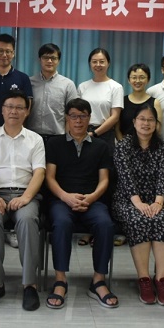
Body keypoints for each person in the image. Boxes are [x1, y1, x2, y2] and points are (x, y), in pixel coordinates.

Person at [45, 98, 117, 309]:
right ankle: (60, 280)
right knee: (61, 223)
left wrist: (91, 197)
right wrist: (65, 196)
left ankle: (98, 281)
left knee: (105, 224)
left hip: (92, 200)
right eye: (74, 116)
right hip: (61, 200)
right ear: (66, 118)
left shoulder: (101, 146)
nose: (78, 120)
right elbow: (49, 177)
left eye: (83, 116)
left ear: (89, 118)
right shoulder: (54, 144)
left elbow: (104, 180)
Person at [0, 90, 45, 311]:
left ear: (26, 112)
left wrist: (25, 198)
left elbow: (39, 173)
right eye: (9, 107)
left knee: (27, 220)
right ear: (2, 110)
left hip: (26, 194)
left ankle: (29, 285)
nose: (14, 111)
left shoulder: (36, 139)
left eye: (19, 107)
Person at [112, 103, 164, 306]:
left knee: (163, 218)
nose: (146, 123)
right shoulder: (123, 146)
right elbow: (125, 177)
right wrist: (138, 202)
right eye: (142, 119)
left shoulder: (163, 147)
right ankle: (143, 279)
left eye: (151, 120)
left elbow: (163, 177)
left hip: (156, 200)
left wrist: (158, 201)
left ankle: (161, 280)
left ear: (156, 124)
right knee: (139, 220)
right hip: (127, 200)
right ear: (134, 122)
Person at [77, 48, 123, 156]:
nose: (98, 65)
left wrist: (94, 133)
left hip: (105, 134)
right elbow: (77, 112)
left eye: (102, 61)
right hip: (83, 132)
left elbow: (115, 117)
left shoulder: (116, 87)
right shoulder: (82, 86)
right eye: (94, 61)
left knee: (104, 165)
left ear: (108, 63)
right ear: (90, 64)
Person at [28, 43, 78, 142]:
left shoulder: (68, 84)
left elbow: (72, 114)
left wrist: (68, 139)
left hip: (58, 138)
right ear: (40, 59)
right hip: (32, 137)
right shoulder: (29, 82)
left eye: (53, 58)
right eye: (46, 57)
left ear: (58, 61)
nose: (49, 61)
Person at [115, 63, 162, 141]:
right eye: (134, 77)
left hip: (148, 145)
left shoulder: (155, 103)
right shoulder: (122, 101)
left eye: (142, 77)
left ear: (148, 80)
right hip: (125, 145)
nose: (137, 81)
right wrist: (123, 144)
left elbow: (157, 129)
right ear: (129, 80)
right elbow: (117, 129)